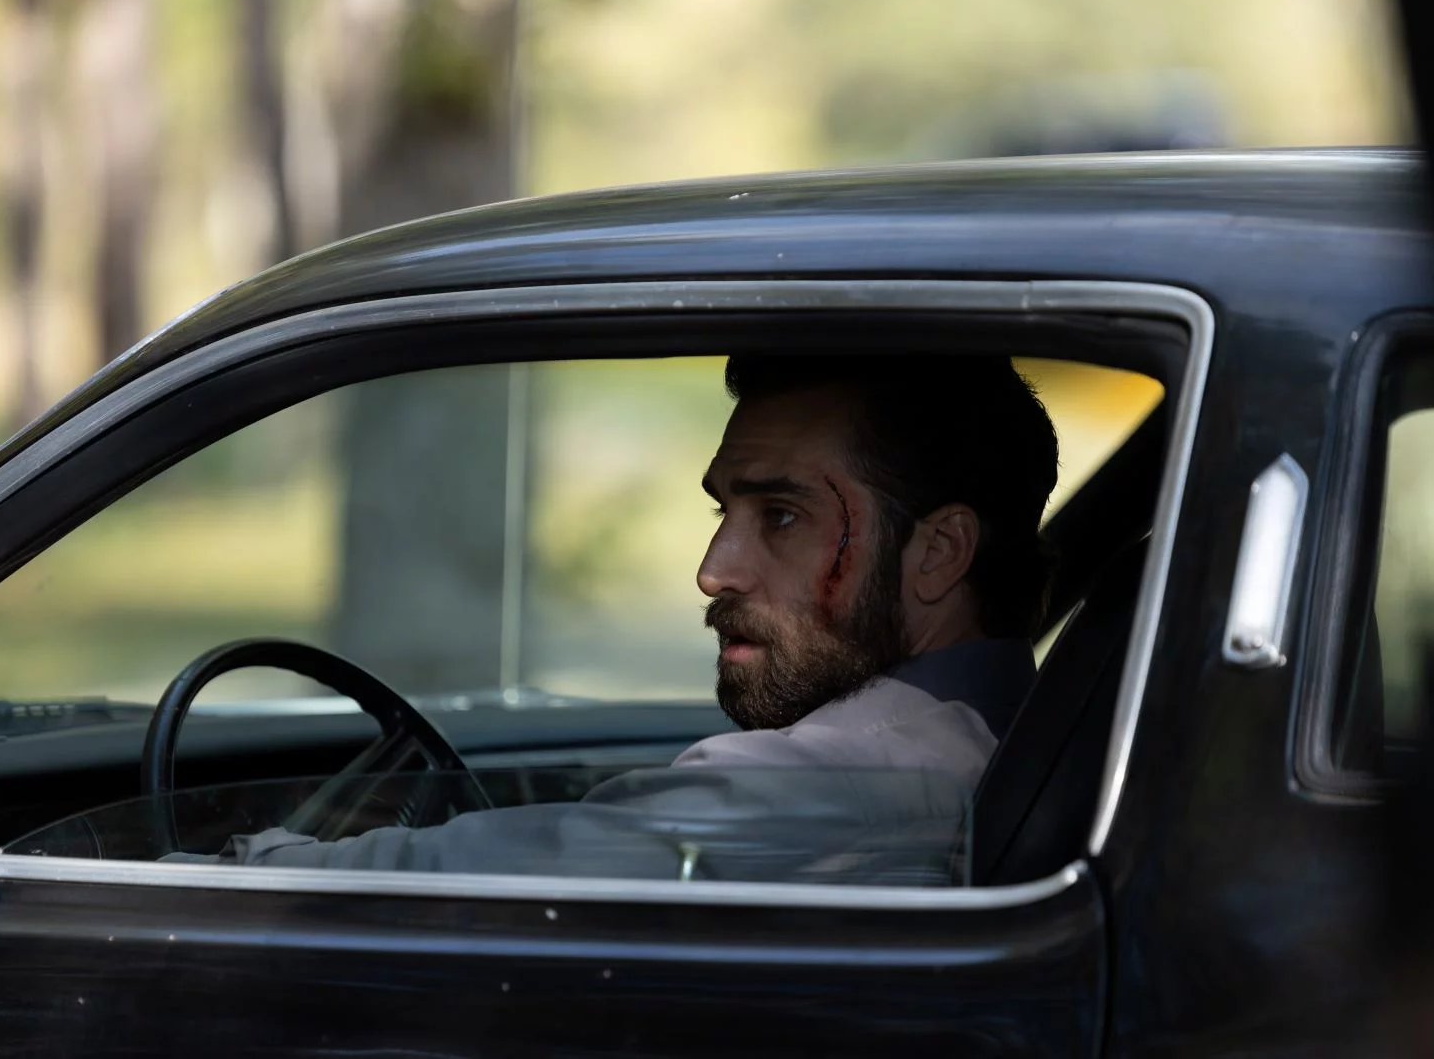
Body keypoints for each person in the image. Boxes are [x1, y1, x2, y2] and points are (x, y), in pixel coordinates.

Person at [170, 354, 1059, 883]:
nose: (712, 572)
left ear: (938, 553)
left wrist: (240, 870)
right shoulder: (1009, 734)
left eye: (782, 517)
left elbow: (520, 875)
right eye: (723, 512)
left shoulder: (852, 779)